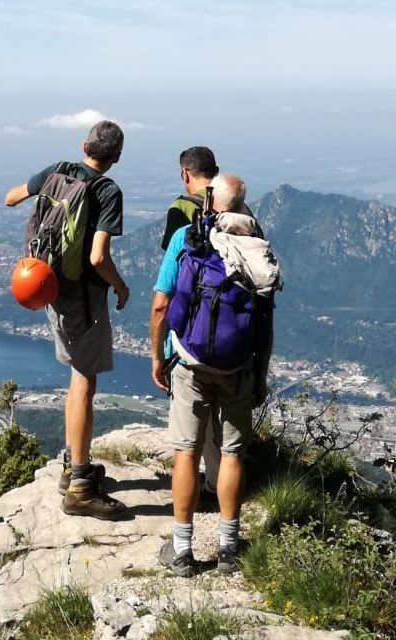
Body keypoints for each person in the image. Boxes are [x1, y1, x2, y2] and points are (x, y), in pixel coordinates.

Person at [149, 174, 275, 576]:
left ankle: (182, 551)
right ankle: (228, 548)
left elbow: (160, 305)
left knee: (186, 451)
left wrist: (158, 357)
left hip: (189, 361)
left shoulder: (188, 237)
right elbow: (265, 323)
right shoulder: (258, 248)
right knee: (232, 453)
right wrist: (259, 374)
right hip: (237, 365)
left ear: (210, 203)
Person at [4, 120, 130, 520]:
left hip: (49, 289)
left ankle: (71, 463)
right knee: (83, 382)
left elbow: (11, 199)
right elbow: (97, 257)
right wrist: (121, 287)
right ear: (116, 158)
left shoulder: (57, 170)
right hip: (84, 298)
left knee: (75, 376)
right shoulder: (107, 191)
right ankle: (79, 485)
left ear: (84, 145)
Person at [161, 146, 224, 498]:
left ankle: (190, 497)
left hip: (191, 330)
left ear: (186, 173)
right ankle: (218, 484)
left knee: (188, 424)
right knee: (222, 418)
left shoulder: (182, 209)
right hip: (232, 333)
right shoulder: (237, 207)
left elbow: (172, 277)